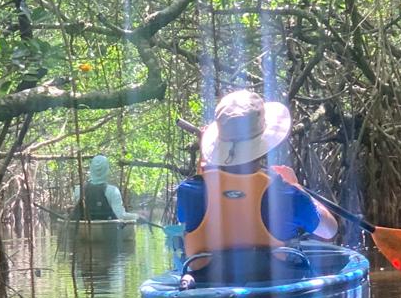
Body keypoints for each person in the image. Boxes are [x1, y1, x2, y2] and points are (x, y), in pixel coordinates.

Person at [175, 90, 337, 280]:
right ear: (264, 143)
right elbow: (330, 230)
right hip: (275, 293)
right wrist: (297, 187)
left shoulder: (189, 192)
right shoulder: (286, 194)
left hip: (208, 292)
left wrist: (206, 158)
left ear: (219, 144)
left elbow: (211, 193)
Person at [72, 154, 139, 221]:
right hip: (107, 230)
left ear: (91, 169)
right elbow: (121, 215)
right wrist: (137, 216)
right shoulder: (113, 191)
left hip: (83, 230)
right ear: (106, 170)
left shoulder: (79, 189)